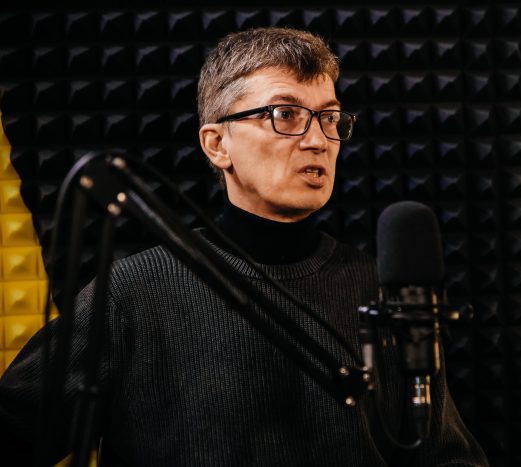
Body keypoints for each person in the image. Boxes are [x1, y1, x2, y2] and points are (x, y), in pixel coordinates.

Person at [0, 27, 488, 466]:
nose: (318, 140)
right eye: (286, 114)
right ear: (217, 144)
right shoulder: (133, 294)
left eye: (330, 117)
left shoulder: (376, 286)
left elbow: (445, 456)